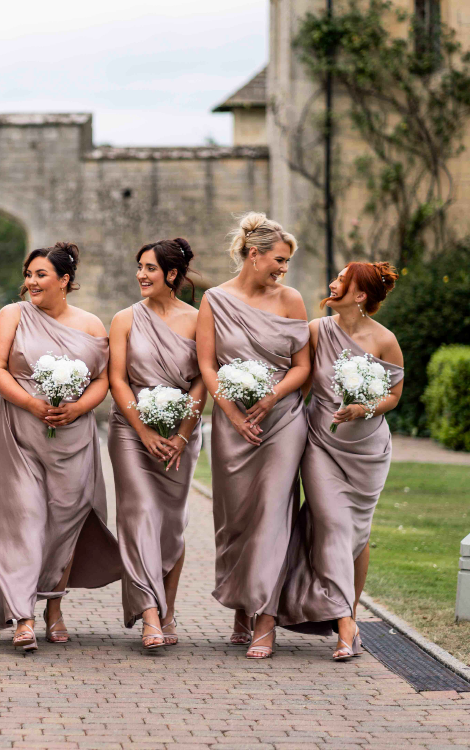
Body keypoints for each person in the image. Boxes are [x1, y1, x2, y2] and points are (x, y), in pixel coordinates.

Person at [0, 242, 122, 651]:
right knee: (23, 519)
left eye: (40, 275)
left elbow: (102, 379)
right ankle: (22, 615)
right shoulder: (12, 315)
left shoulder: (91, 324)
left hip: (73, 438)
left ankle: (54, 608)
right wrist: (29, 403)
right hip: (19, 433)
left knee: (65, 521)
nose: (31, 282)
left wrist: (78, 408)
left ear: (64, 280)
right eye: (28, 275)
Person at [196, 212, 310, 660]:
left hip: (282, 421)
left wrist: (271, 397)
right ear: (253, 254)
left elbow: (302, 366)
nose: (284, 268)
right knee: (236, 519)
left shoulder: (291, 300)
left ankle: (266, 618)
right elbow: (208, 365)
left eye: (286, 262)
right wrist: (233, 414)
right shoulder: (215, 300)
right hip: (232, 424)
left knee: (273, 515)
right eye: (279, 260)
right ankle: (242, 606)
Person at [278, 262, 404, 660]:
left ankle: (349, 615)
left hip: (367, 450)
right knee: (332, 524)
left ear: (360, 295)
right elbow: (300, 380)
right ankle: (345, 623)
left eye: (341, 281)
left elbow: (394, 395)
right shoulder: (317, 330)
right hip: (322, 445)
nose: (332, 284)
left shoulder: (384, 340)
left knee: (356, 534)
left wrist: (364, 408)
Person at [108, 238, 206, 650]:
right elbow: (117, 380)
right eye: (140, 267)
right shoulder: (124, 319)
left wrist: (182, 434)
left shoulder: (200, 320)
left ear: (171, 274)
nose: (141, 275)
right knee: (139, 515)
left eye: (149, 268)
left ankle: (167, 611)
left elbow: (203, 380)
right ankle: (149, 614)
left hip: (181, 435)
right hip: (130, 433)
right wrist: (144, 431)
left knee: (171, 525)